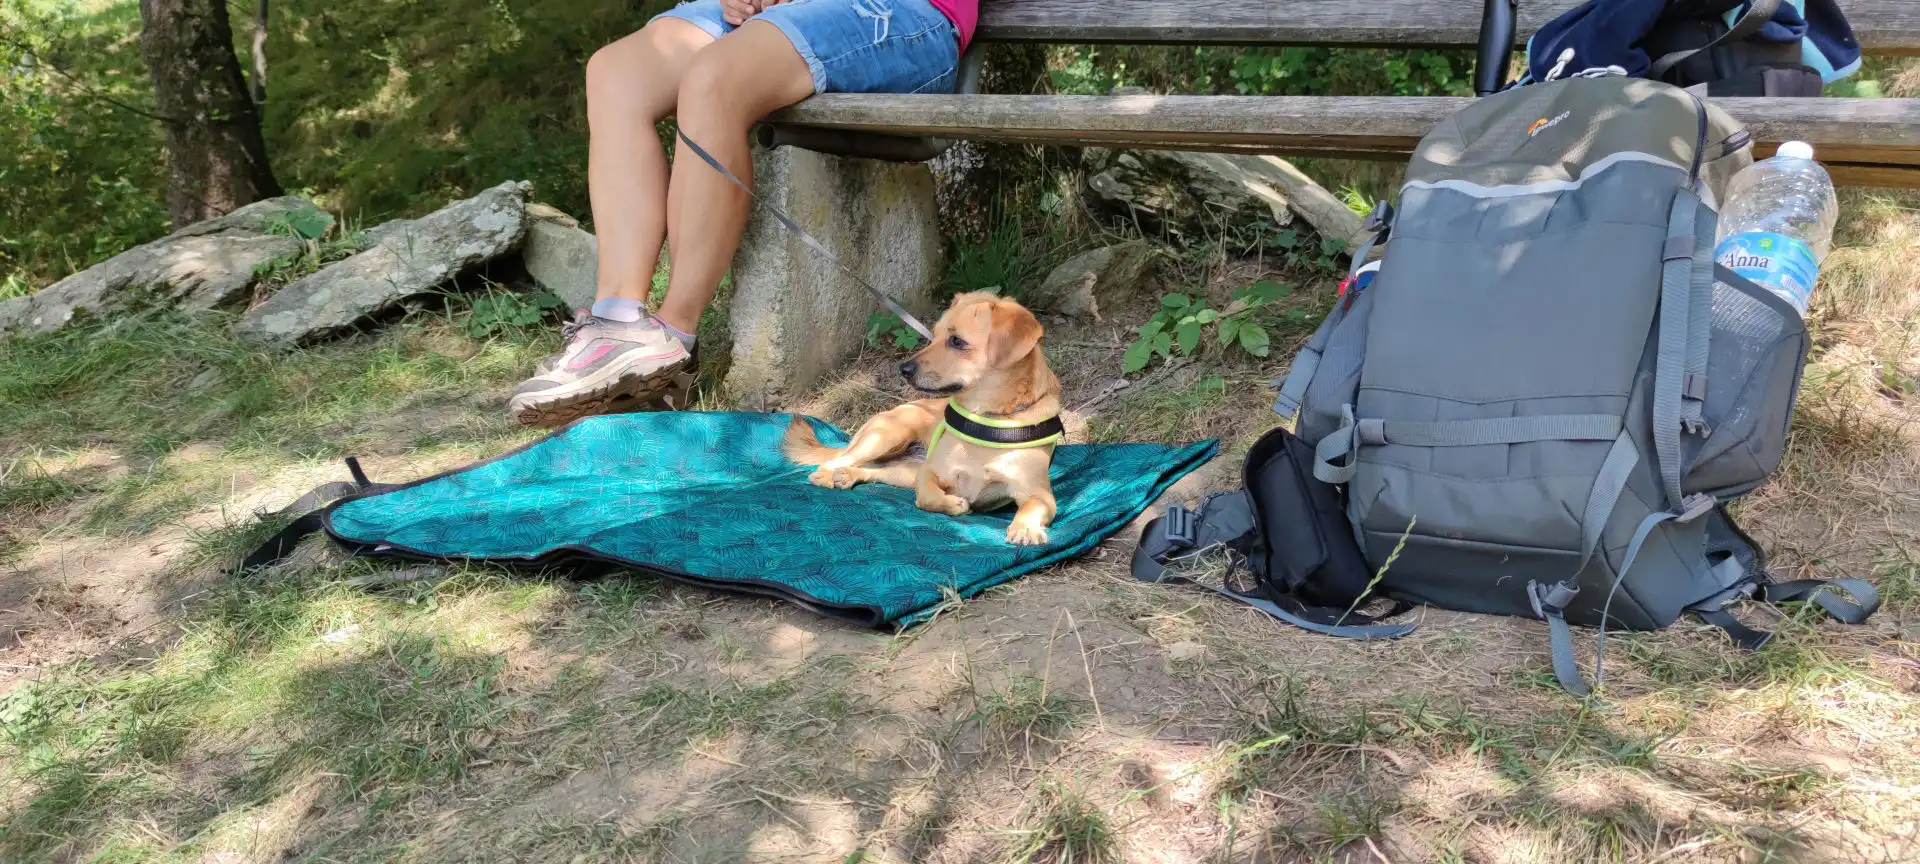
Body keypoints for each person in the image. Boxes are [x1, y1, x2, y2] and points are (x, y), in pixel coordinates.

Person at [509, 0, 977, 425]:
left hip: (902, 15)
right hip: (781, 14)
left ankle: (671, 342)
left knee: (714, 77)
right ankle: (617, 323)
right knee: (615, 72)